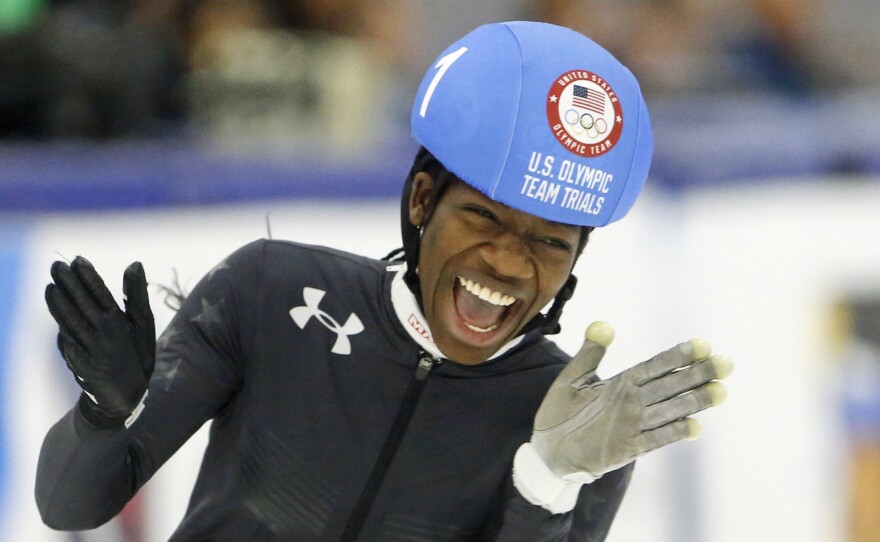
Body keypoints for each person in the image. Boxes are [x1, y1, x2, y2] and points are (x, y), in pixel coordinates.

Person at [36, 21, 731, 541]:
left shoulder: (577, 423)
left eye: (549, 242)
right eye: (484, 218)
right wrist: (103, 414)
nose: (510, 263)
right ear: (423, 200)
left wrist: (546, 483)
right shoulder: (269, 292)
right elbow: (69, 507)